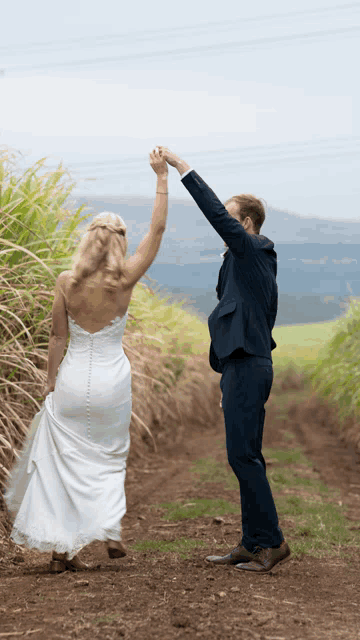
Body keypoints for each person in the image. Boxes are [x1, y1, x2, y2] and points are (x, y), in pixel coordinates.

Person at [4, 146, 170, 573]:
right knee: (108, 456)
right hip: (113, 380)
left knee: (65, 464)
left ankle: (63, 552)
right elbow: (158, 230)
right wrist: (161, 179)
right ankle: (108, 528)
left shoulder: (66, 281)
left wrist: (48, 383)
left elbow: (57, 338)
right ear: (118, 243)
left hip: (73, 379)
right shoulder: (125, 279)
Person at [160, 146, 291, 573]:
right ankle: (252, 542)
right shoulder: (240, 262)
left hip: (249, 365)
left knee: (243, 456)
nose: (223, 226)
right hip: (240, 365)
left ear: (247, 223)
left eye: (231, 219)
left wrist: (182, 168)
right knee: (244, 454)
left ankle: (271, 543)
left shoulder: (253, 250)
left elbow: (215, 212)